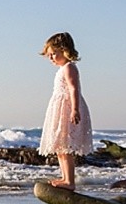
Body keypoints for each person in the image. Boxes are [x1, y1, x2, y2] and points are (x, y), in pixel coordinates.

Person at [39, 32, 92, 190]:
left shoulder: (69, 68)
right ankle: (64, 177)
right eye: (49, 55)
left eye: (53, 54)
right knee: (59, 146)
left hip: (67, 108)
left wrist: (74, 109)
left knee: (65, 145)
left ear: (64, 50)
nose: (51, 58)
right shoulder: (62, 69)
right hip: (59, 107)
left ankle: (70, 181)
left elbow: (73, 89)